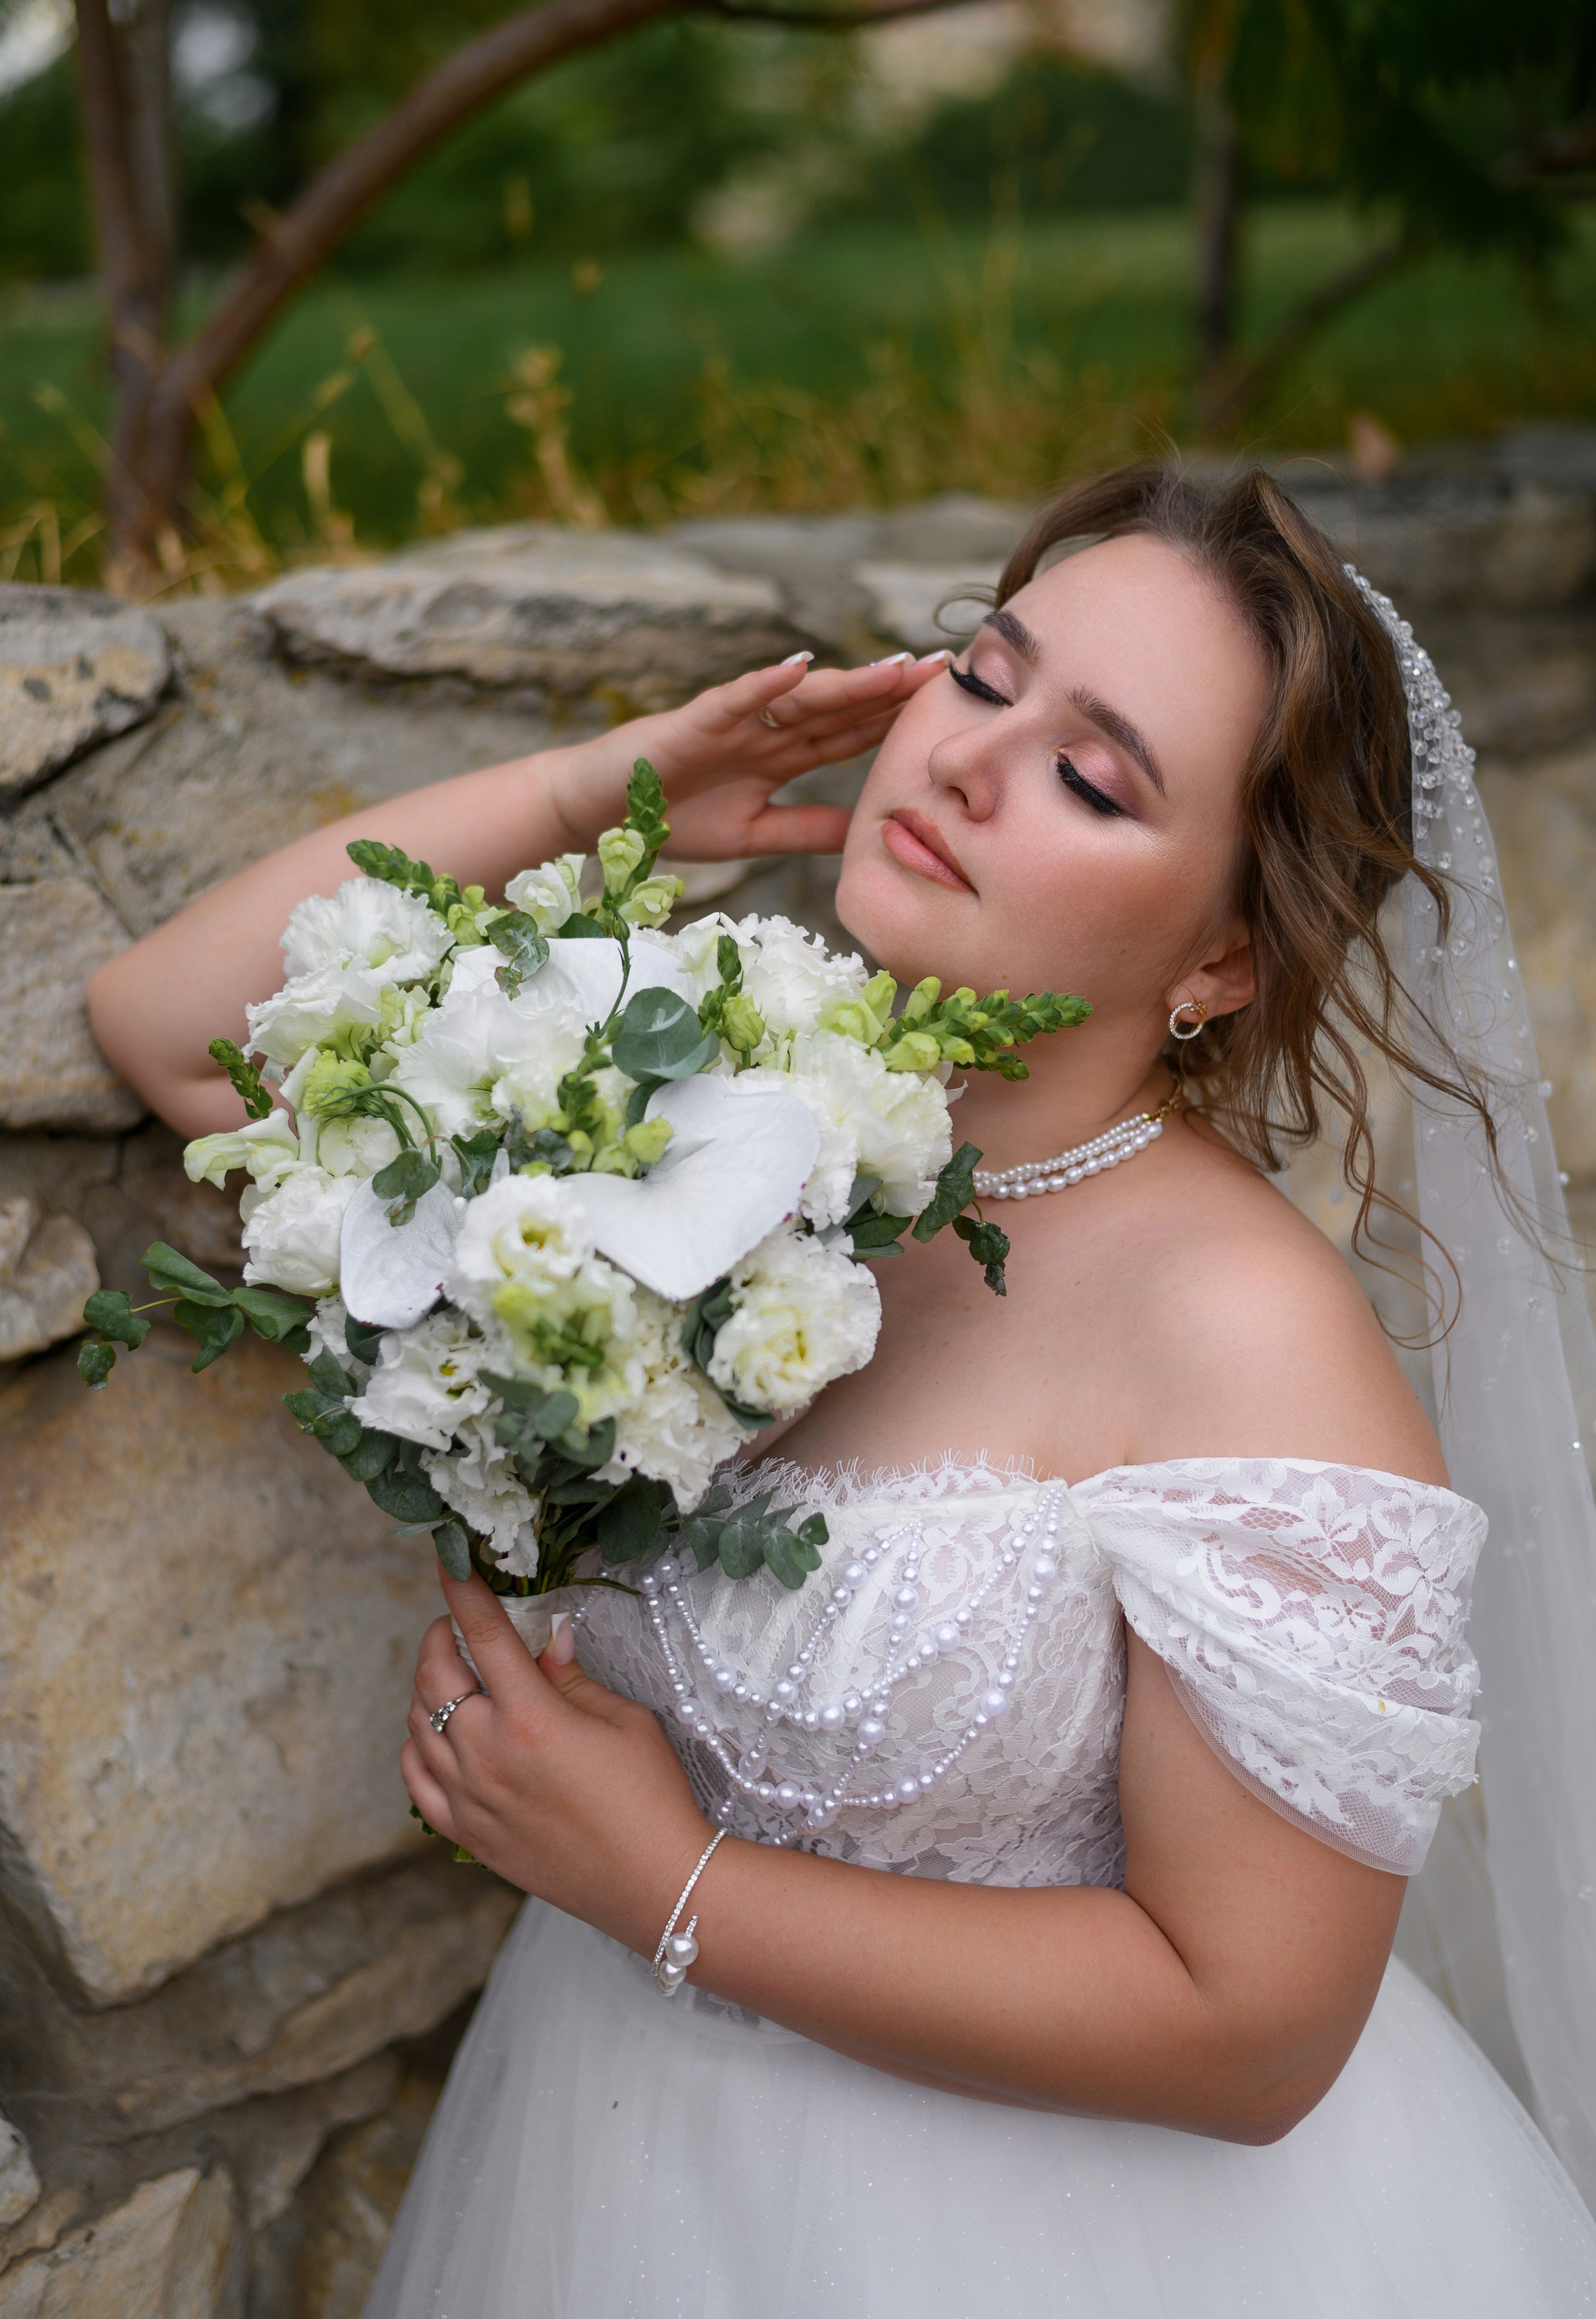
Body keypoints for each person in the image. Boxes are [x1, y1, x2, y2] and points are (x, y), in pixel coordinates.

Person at [92, 465, 1596, 2317]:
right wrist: (603, 791)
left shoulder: (1246, 1337)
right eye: (984, 674)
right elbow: (174, 1031)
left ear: (1222, 956)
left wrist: (668, 1884)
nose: (965, 762)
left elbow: (1256, 2030)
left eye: (1090, 776)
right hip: (612, 2166)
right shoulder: (690, 1097)